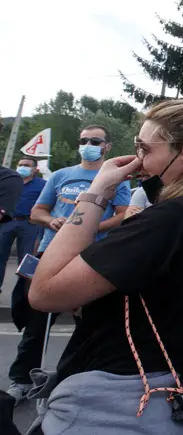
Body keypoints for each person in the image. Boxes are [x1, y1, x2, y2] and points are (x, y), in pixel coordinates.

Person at [24, 97, 183, 434]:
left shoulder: (170, 218)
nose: (137, 161)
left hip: (117, 406)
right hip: (171, 398)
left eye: (145, 149)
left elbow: (44, 293)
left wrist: (98, 191)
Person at [7, 125, 131, 404]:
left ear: (106, 146)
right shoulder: (62, 176)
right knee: (37, 321)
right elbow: (37, 212)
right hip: (51, 253)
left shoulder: (116, 178)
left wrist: (88, 226)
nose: (88, 144)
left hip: (93, 258)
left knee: (91, 324)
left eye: (95, 140)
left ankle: (79, 380)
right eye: (84, 140)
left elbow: (123, 216)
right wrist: (51, 221)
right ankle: (21, 379)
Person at [0, 158, 44, 292]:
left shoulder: (42, 184)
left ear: (35, 169)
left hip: (29, 224)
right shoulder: (8, 181)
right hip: (8, 222)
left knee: (26, 260)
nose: (22, 167)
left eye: (26, 165)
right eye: (20, 164)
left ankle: (24, 293)